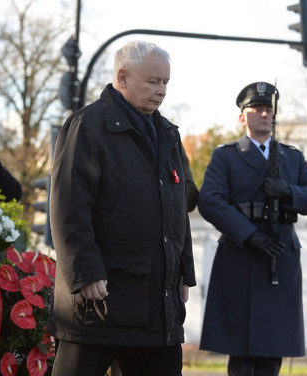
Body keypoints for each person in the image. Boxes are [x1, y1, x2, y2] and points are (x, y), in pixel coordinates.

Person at [47, 40, 196, 376]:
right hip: (99, 301)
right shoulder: (88, 126)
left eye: (166, 83)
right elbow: (69, 206)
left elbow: (176, 207)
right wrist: (85, 273)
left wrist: (183, 269)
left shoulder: (167, 132)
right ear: (123, 77)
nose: (161, 92)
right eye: (153, 81)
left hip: (156, 303)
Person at [197, 82, 307, 376]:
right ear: (242, 117)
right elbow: (210, 201)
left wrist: (289, 193)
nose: (264, 114)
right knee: (241, 356)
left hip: (279, 257)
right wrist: (249, 234)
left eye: (268, 109)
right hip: (241, 256)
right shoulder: (227, 156)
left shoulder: (291, 157)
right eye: (256, 109)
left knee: (272, 353)